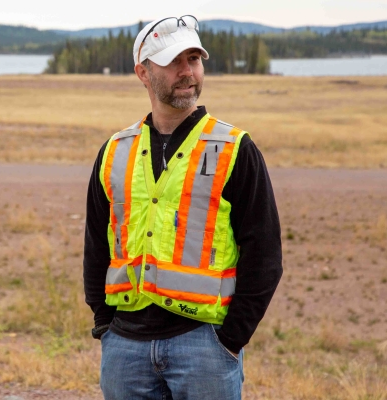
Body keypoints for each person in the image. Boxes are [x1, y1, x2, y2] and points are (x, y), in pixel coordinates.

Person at [82, 15, 283, 400]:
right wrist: (105, 326)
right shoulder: (115, 152)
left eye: (194, 59)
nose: (187, 72)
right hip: (125, 348)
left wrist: (230, 339)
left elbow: (265, 255)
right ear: (143, 72)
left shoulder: (233, 149)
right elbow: (97, 243)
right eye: (174, 61)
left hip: (204, 347)